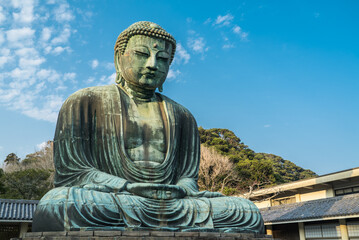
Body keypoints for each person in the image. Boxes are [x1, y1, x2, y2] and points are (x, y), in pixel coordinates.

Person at [32, 21, 264, 233]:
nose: (152, 64)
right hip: (115, 198)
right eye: (142, 54)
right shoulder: (84, 102)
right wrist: (128, 186)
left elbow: (187, 177)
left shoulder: (183, 116)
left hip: (174, 203)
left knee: (245, 211)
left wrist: (182, 189)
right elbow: (74, 173)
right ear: (118, 58)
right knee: (59, 204)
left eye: (162, 59)